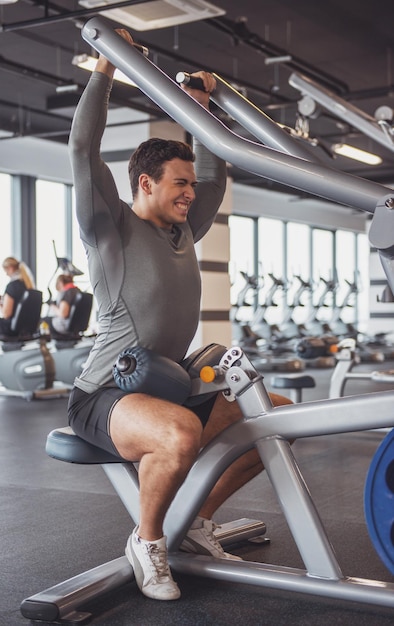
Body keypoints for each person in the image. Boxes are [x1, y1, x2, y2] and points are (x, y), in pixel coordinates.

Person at [68, 28, 292, 602]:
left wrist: (206, 108)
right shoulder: (111, 229)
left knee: (277, 420)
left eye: (190, 184)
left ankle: (192, 520)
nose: (192, 193)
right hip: (106, 396)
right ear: (145, 182)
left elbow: (215, 175)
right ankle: (147, 542)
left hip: (170, 378)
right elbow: (82, 152)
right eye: (179, 184)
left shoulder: (182, 232)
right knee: (181, 431)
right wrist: (105, 69)